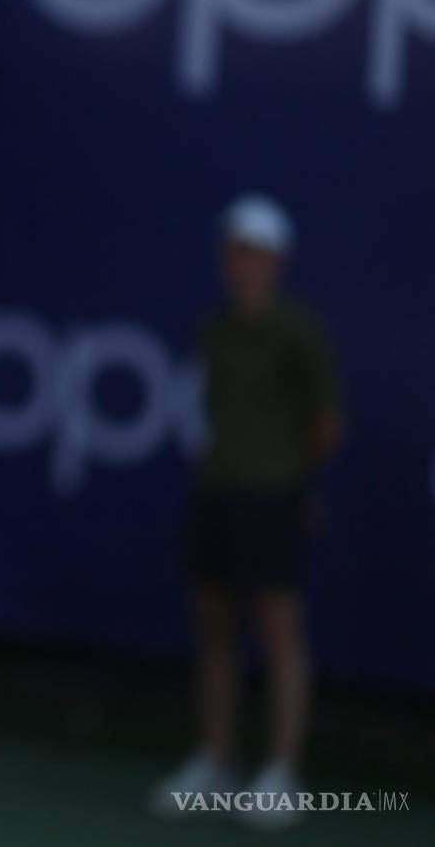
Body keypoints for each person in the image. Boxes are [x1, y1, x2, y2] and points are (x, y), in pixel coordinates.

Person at [150, 194, 343, 829]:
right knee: (213, 627)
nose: (244, 264)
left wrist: (295, 483)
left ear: (277, 262)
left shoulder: (298, 332)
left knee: (280, 632)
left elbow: (325, 425)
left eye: (256, 254)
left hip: (275, 497)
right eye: (236, 252)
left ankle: (281, 774)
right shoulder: (215, 328)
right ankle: (216, 760)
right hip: (218, 494)